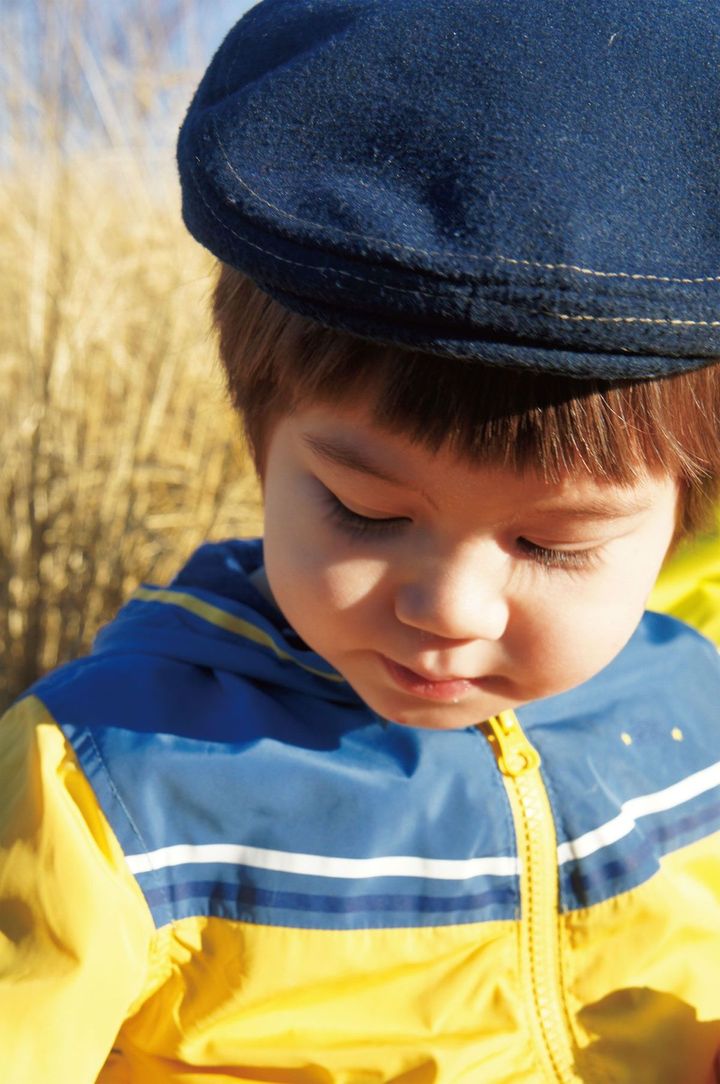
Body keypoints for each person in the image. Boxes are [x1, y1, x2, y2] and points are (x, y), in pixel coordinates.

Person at [2, 1, 720, 1081]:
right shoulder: (107, 789)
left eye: (556, 544)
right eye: (368, 513)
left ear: (684, 511)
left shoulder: (696, 714)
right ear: (261, 443)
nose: (451, 609)